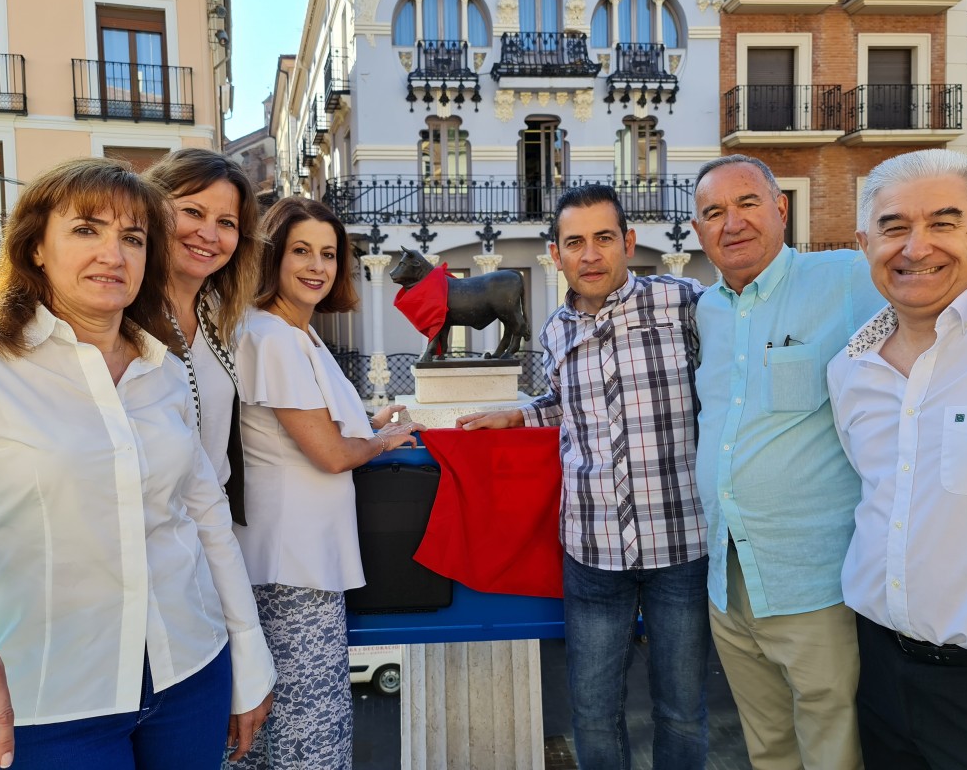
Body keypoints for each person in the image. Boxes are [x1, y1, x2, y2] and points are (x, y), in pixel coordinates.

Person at [0, 158, 274, 770]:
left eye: (133, 238)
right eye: (86, 229)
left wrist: (249, 655)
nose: (114, 253)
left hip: (192, 671)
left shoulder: (162, 368)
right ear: (36, 249)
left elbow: (203, 515)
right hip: (51, 701)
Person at [457, 184, 710, 769]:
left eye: (603, 238)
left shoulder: (685, 302)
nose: (590, 254)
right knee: (593, 717)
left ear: (628, 241)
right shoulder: (555, 333)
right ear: (556, 254)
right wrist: (519, 413)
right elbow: (564, 404)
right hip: (592, 550)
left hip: (682, 543)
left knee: (681, 711)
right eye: (575, 242)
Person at [828, 149, 967, 770]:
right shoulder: (849, 369)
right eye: (894, 227)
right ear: (865, 243)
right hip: (881, 671)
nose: (917, 247)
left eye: (944, 223)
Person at [690, 154, 880, 770]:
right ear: (698, 231)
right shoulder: (706, 310)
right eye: (713, 212)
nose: (732, 222)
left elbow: (939, 283)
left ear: (781, 208)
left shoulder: (848, 280)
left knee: (833, 748)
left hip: (813, 579)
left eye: (747, 203)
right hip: (728, 577)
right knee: (767, 748)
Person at [230, 197, 420, 769]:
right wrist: (381, 443)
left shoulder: (297, 334)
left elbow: (323, 422)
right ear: (272, 258)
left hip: (299, 560)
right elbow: (331, 453)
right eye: (301, 251)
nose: (318, 266)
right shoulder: (274, 336)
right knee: (306, 736)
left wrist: (372, 419)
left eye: (329, 254)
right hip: (292, 566)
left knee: (299, 725)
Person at [144, 148, 261, 529]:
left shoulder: (222, 315)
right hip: (147, 537)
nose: (209, 235)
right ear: (152, 209)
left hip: (213, 530)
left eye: (226, 223)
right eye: (193, 212)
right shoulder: (117, 316)